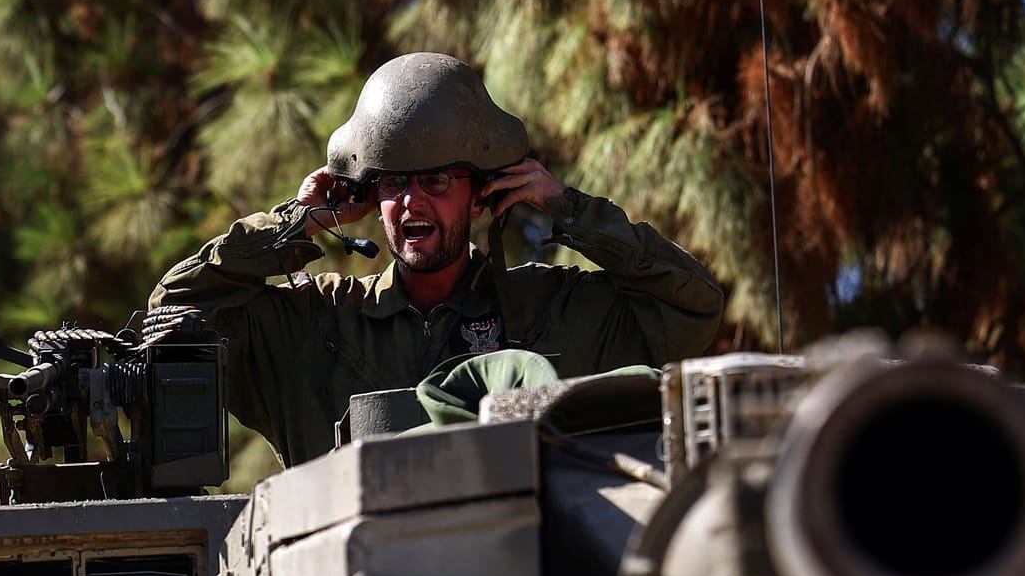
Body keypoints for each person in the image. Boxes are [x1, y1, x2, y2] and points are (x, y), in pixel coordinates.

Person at [150, 52, 725, 466]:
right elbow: (174, 314)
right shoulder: (315, 323)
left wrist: (568, 210)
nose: (410, 201)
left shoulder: (550, 309)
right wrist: (295, 226)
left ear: (481, 195)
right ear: (370, 198)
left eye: (435, 180)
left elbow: (689, 308)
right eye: (393, 183)